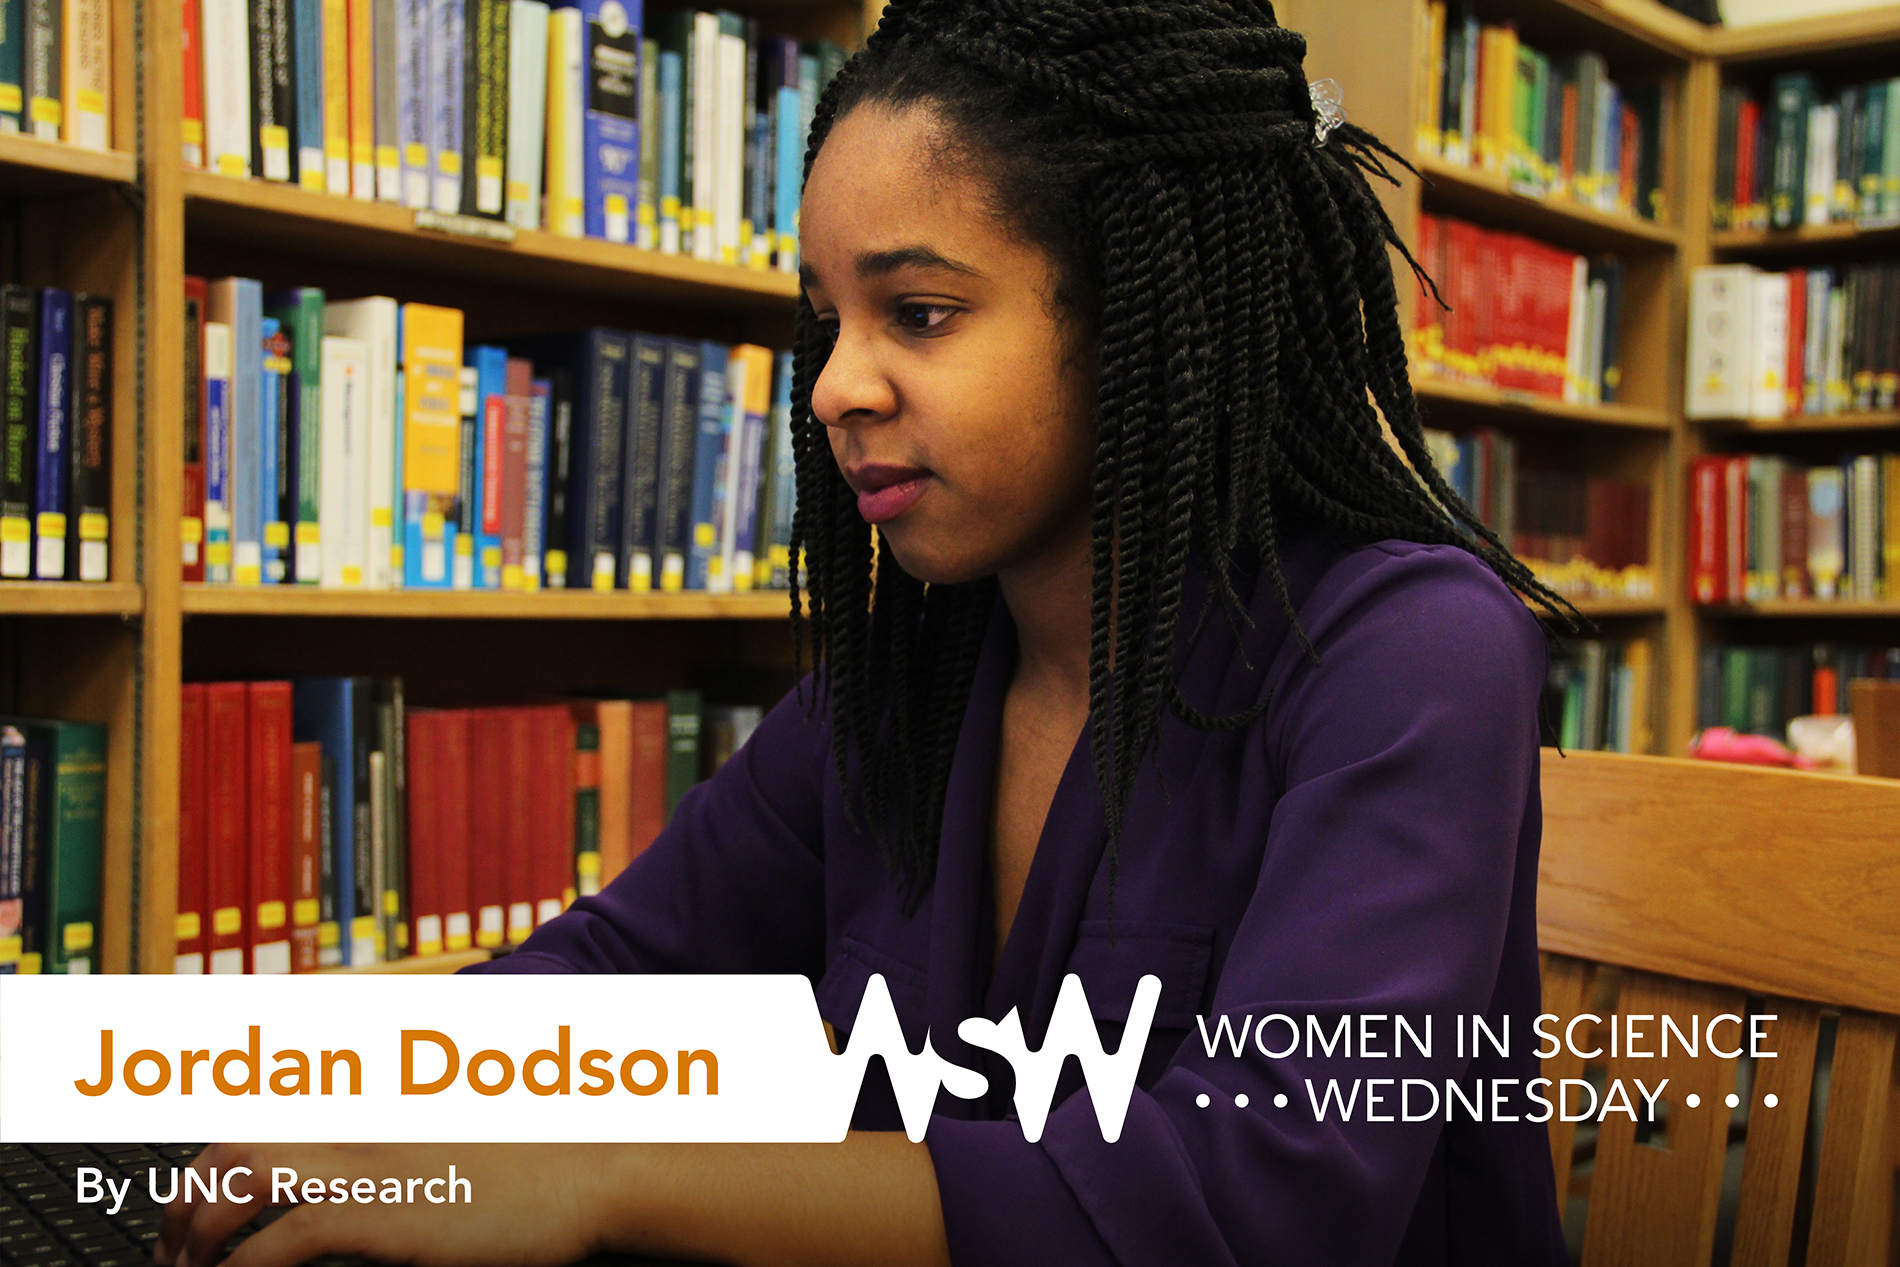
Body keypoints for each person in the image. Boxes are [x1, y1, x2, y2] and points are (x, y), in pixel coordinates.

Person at [159, 1, 1578, 1263]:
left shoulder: (1412, 651)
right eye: (824, 321)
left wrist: (606, 1177)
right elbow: (619, 975)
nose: (837, 385)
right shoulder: (915, 674)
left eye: (919, 311)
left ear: (1152, 311)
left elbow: (1268, 1192)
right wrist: (328, 1108)